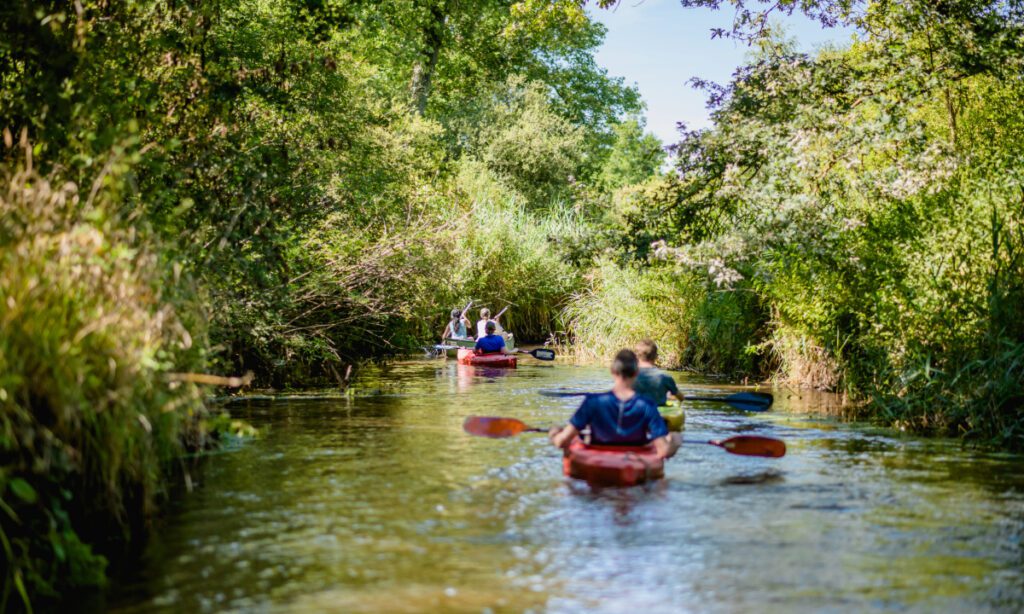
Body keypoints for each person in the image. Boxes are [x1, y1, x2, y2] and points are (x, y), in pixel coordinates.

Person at [549, 349, 680, 459]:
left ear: (612, 371)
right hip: (634, 462)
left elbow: (562, 442)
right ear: (636, 373)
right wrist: (675, 440)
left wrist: (554, 433)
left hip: (599, 463)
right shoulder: (647, 405)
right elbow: (664, 451)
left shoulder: (592, 402)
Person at [633, 340, 682, 407]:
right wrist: (670, 396)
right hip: (658, 414)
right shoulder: (665, 377)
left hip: (635, 412)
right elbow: (681, 398)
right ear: (656, 356)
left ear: (636, 357)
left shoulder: (628, 376)